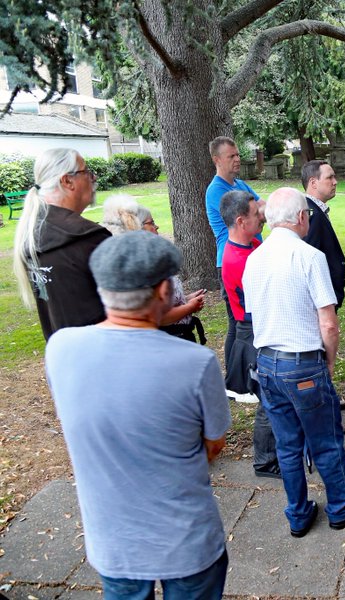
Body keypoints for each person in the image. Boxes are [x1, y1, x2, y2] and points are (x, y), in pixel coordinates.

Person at [45, 231, 231, 598]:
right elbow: (214, 445)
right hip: (187, 543)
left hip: (114, 544)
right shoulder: (195, 363)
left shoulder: (60, 348)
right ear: (164, 290)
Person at [242, 187, 345, 536]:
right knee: (326, 441)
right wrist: (329, 365)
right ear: (302, 217)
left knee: (287, 446)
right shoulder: (309, 257)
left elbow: (252, 313)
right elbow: (329, 322)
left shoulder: (253, 259)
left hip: (268, 364)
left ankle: (299, 514)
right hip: (302, 363)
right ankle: (341, 508)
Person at [12, 148, 111, 340]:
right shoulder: (88, 238)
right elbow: (130, 306)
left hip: (61, 358)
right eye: (86, 171)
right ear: (67, 181)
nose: (94, 177)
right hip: (102, 357)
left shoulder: (32, 233)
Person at [219, 190, 281, 478]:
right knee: (269, 398)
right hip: (254, 330)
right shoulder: (237, 260)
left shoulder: (251, 241)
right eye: (257, 215)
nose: (262, 218)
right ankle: (265, 461)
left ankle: (280, 449)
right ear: (242, 221)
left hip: (261, 324)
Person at [101, 195, 207, 343]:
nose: (156, 226)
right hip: (169, 340)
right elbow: (159, 316)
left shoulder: (150, 258)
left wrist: (186, 299)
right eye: (151, 223)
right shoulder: (144, 265)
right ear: (137, 228)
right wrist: (189, 307)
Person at [205, 136, 261, 383]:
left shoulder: (239, 183)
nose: (238, 159)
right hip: (231, 261)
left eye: (238, 154)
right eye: (232, 156)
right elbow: (257, 210)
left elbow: (260, 206)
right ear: (217, 160)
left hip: (251, 256)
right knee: (236, 324)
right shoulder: (216, 190)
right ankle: (234, 378)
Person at [301, 160, 345, 420]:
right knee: (320, 353)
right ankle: (324, 409)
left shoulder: (316, 210)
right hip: (318, 302)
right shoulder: (310, 214)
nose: (335, 181)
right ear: (313, 183)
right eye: (330, 177)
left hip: (326, 297)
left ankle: (328, 397)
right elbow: (308, 257)